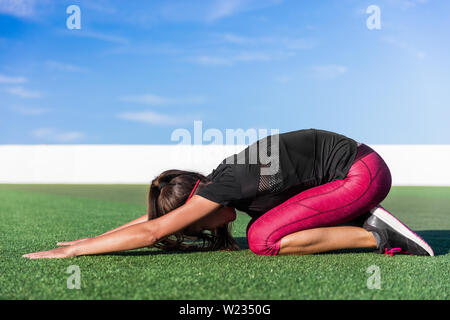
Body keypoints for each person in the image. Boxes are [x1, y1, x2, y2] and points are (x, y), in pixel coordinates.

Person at [23, 128, 434, 259]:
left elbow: (153, 233)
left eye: (194, 221)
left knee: (262, 237)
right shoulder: (221, 181)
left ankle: (377, 232)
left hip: (362, 175)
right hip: (357, 171)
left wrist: (74, 253)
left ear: (198, 203)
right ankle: (362, 218)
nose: (200, 227)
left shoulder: (228, 183)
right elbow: (155, 223)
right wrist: (92, 239)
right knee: (263, 225)